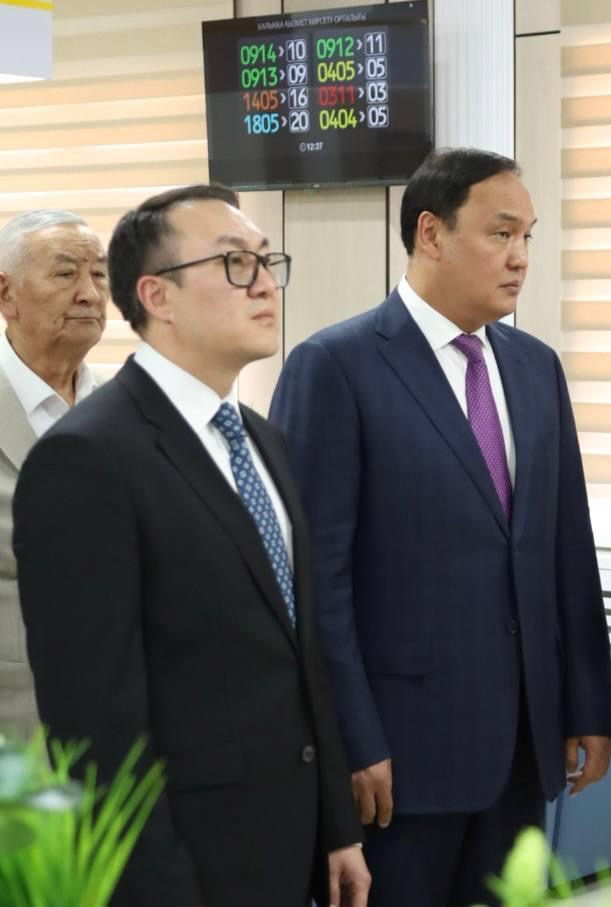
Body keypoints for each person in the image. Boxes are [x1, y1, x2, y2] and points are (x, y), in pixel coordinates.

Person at [269, 147, 611, 907]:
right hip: (399, 758)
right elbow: (313, 581)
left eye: (528, 237)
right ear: (431, 233)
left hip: (523, 748)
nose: (521, 257)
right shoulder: (335, 365)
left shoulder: (535, 367)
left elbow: (565, 548)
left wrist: (589, 703)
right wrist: (350, 738)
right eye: (501, 233)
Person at [13, 185, 370, 907]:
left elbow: (300, 655)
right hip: (186, 861)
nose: (264, 283)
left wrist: (337, 826)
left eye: (267, 261)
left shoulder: (262, 439)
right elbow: (96, 727)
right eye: (235, 263)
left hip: (292, 844)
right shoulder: (87, 456)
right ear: (157, 296)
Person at [0, 209, 106, 736]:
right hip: (14, 730)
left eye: (100, 274)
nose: (90, 293)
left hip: (120, 729)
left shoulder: (128, 410)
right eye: (66, 274)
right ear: (6, 295)